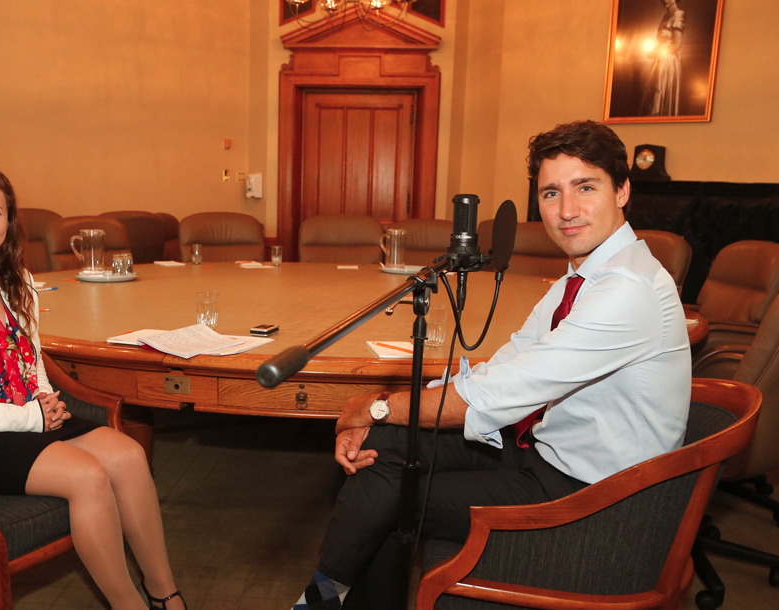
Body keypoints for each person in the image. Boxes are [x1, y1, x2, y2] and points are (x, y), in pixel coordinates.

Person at [290, 120, 691, 610]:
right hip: (546, 454)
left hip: (595, 498)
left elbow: (497, 395)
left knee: (391, 486)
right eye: (551, 193)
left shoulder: (628, 289)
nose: (566, 210)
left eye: (585, 187)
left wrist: (374, 407)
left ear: (622, 190)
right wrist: (378, 419)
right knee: (386, 446)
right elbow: (506, 364)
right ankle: (326, 599)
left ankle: (321, 601)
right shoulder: (584, 278)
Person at [0, 165, 186, 610]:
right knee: (87, 476)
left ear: (9, 221)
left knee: (128, 455)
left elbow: (29, 359)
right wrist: (31, 416)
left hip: (21, 417)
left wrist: (44, 398)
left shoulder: (18, 281)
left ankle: (166, 595)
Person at [640, 0, 685, 116]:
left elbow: (677, 45)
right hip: (659, 60)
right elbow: (662, 42)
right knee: (652, 90)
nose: (665, 0)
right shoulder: (666, 16)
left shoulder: (678, 15)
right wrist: (653, 51)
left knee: (660, 90)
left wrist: (659, 52)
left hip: (668, 61)